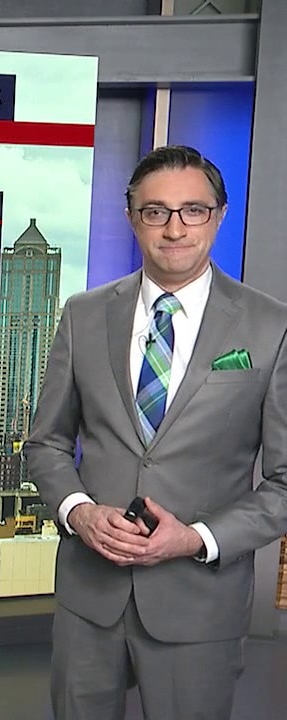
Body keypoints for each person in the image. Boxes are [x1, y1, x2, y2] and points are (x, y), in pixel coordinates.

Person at [24, 144, 287, 720]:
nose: (174, 228)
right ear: (131, 218)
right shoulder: (84, 314)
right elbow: (45, 444)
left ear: (218, 216)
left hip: (200, 605)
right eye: (155, 211)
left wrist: (195, 538)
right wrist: (79, 513)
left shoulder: (271, 326)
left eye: (193, 210)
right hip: (89, 601)